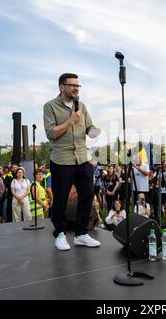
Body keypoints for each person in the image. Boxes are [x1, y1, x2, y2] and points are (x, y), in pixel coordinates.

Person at [43, 72, 102, 251]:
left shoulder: (81, 106)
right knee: (61, 199)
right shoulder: (50, 106)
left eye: (78, 86)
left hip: (83, 158)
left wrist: (93, 130)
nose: (77, 88)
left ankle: (81, 234)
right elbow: (51, 133)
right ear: (62, 87)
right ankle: (60, 234)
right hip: (62, 160)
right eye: (73, 85)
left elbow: (88, 126)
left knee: (88, 194)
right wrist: (71, 120)